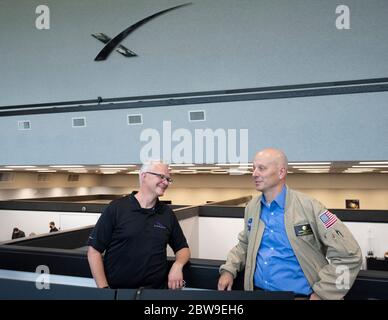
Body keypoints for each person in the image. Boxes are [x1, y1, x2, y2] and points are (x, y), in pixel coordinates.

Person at [218, 148, 362, 300]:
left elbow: (349, 255)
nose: (254, 174)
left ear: (281, 172)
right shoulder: (252, 208)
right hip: (257, 294)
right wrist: (228, 270)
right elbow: (244, 245)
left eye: (261, 168)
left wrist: (323, 294)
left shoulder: (311, 207)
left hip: (300, 296)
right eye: (253, 168)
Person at [87, 161, 190, 289]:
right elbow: (94, 251)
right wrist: (104, 290)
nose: (166, 182)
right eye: (162, 177)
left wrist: (178, 265)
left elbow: (183, 249)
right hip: (119, 293)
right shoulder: (116, 208)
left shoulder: (167, 213)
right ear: (143, 176)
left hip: (155, 294)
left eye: (168, 179)